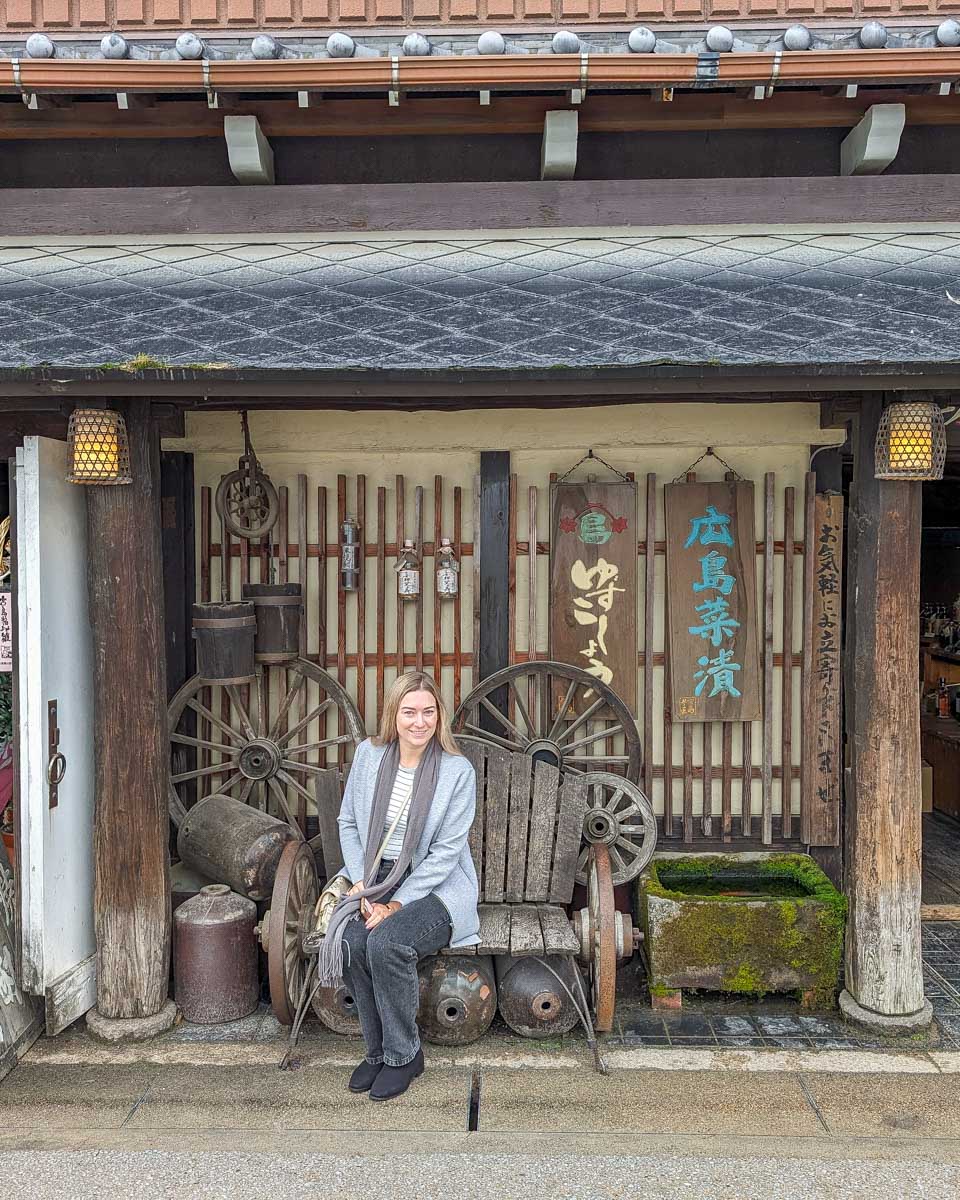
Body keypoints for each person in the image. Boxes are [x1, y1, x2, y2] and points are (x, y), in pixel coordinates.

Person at [315, 671, 479, 1101]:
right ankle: (377, 1052)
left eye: (428, 712)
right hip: (373, 875)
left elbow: (446, 853)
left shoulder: (455, 770)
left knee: (387, 943)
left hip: (436, 886)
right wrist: (364, 882)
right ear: (394, 713)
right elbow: (348, 821)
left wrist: (397, 902)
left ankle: (404, 1056)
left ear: (439, 716)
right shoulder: (371, 756)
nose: (419, 722)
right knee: (350, 940)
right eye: (409, 712)